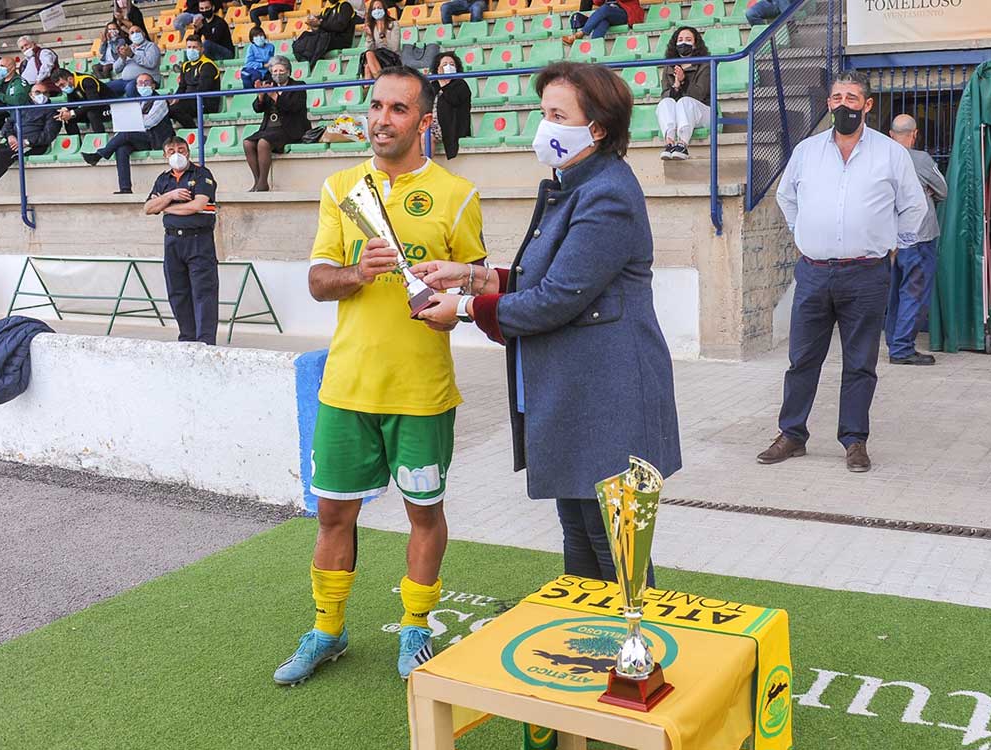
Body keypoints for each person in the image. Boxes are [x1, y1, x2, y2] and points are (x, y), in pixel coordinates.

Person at [409, 61, 680, 582]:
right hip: (577, 393)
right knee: (579, 530)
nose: (544, 126)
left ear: (596, 127)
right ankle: (591, 644)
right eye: (543, 112)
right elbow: (544, 274)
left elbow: (557, 298)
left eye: (557, 114)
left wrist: (464, 308)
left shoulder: (606, 194)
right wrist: (470, 276)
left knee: (612, 543)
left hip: (608, 394)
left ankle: (635, 653)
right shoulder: (577, 183)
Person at [271, 66, 486, 686]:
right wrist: (358, 273)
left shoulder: (457, 193)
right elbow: (317, 282)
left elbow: (474, 288)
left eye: (397, 109)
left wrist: (450, 306)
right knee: (333, 516)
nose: (381, 119)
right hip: (345, 389)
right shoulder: (341, 186)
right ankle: (328, 630)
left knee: (424, 514)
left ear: (424, 121)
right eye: (375, 106)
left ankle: (416, 628)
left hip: (421, 392)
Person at [758, 71, 925, 473]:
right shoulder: (806, 151)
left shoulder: (890, 154)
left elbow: (914, 208)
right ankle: (792, 434)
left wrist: (891, 246)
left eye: (853, 98)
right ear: (828, 103)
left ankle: (854, 440)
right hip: (813, 273)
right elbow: (786, 196)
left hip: (866, 275)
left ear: (867, 105)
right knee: (802, 358)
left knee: (860, 361)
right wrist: (802, 235)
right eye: (837, 97)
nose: (844, 104)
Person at [881, 115, 947, 367]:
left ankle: (894, 341)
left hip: (889, 240)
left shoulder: (881, 159)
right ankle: (901, 349)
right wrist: (925, 191)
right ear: (915, 134)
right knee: (914, 293)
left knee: (895, 294)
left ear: (890, 134)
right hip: (918, 238)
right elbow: (943, 189)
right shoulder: (920, 159)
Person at [144, 137, 220, 345]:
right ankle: (187, 338)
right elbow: (148, 208)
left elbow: (196, 205)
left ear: (188, 151)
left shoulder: (201, 174)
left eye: (181, 149)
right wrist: (171, 194)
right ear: (164, 154)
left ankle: (204, 342)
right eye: (171, 150)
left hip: (199, 240)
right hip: (172, 242)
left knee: (203, 292)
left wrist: (165, 206)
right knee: (177, 292)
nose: (176, 153)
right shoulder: (163, 179)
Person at [81, 73, 175, 194]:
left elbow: (149, 123)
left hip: (157, 140)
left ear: (153, 86)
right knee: (122, 149)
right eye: (140, 83)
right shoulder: (137, 102)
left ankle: (99, 155)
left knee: (126, 134)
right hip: (142, 138)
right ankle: (125, 188)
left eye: (146, 83)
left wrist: (130, 122)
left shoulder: (160, 101)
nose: (143, 85)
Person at [243, 56, 307, 191]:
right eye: (274, 71)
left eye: (281, 70)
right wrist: (260, 95)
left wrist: (274, 96)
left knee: (263, 142)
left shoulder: (298, 86)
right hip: (269, 128)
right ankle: (257, 180)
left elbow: (293, 107)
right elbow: (257, 108)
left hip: (289, 128)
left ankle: (263, 183)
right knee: (248, 143)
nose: (277, 74)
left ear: (288, 72)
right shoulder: (270, 85)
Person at [655, 26, 709, 162]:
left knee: (684, 102)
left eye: (688, 39)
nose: (683, 43)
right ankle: (669, 143)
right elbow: (665, 94)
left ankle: (683, 145)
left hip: (703, 112)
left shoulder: (705, 64)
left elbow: (700, 95)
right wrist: (677, 85)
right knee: (665, 103)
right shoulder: (669, 66)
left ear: (695, 43)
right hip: (679, 114)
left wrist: (684, 80)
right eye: (680, 39)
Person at [168, 38, 223, 128]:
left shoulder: (208, 65)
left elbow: (203, 88)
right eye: (189, 47)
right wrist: (175, 98)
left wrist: (181, 99)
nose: (191, 50)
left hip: (205, 102)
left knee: (175, 109)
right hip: (189, 100)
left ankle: (194, 131)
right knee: (163, 107)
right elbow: (182, 86)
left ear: (202, 49)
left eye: (195, 47)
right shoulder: (186, 65)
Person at [52, 67, 116, 135]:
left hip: (109, 108)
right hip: (92, 109)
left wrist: (72, 113)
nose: (62, 88)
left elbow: (94, 103)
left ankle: (100, 140)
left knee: (92, 114)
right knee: (68, 119)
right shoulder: (71, 86)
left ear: (70, 79)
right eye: (59, 86)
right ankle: (76, 142)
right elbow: (72, 104)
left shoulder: (86, 81)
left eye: (62, 85)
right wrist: (66, 110)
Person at [292, 0, 356, 64]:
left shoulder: (345, 5)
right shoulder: (326, 11)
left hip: (341, 40)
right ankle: (305, 61)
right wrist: (313, 25)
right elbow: (321, 27)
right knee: (305, 35)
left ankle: (312, 62)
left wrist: (320, 23)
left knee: (318, 39)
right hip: (327, 38)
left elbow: (340, 26)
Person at [432, 51, 469, 160]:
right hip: (430, 126)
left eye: (452, 64)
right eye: (444, 65)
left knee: (425, 137)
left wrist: (444, 84)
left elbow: (454, 101)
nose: (448, 67)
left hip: (450, 128)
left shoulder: (461, 85)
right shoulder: (433, 85)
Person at [108, 23, 159, 97]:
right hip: (125, 81)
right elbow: (116, 69)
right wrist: (123, 59)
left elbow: (151, 63)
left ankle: (137, 108)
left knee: (130, 87)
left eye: (138, 31)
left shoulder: (151, 46)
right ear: (129, 37)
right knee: (105, 88)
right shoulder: (128, 48)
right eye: (132, 33)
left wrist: (132, 55)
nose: (135, 34)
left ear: (143, 34)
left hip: (146, 81)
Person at [562, 0, 643, 44]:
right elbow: (597, 2)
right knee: (603, 21)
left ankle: (581, 33)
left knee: (605, 9)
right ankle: (595, 49)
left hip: (625, 13)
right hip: (609, 13)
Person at [359, 0, 400, 77]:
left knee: (368, 62)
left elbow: (394, 48)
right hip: (378, 59)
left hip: (392, 58)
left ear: (384, 9)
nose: (377, 10)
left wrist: (382, 35)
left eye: (379, 8)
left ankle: (378, 80)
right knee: (368, 63)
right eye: (374, 9)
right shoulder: (371, 27)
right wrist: (370, 36)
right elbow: (369, 48)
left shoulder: (393, 24)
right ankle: (375, 82)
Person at [240, 24, 276, 88]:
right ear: (252, 39)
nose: (259, 37)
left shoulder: (271, 46)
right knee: (255, 78)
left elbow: (271, 59)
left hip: (266, 71)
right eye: (256, 36)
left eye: (261, 35)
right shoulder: (251, 47)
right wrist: (262, 65)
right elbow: (248, 63)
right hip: (254, 70)